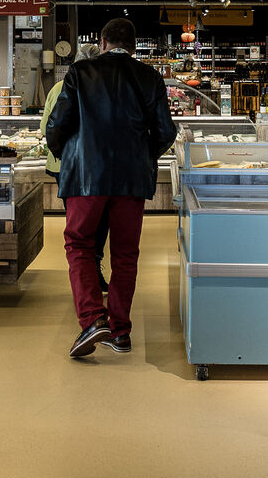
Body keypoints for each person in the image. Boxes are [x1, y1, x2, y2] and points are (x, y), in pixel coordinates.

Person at [45, 18, 177, 359]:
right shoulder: (150, 76)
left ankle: (92, 319)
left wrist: (66, 154)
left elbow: (57, 124)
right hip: (131, 180)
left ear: (102, 42)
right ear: (133, 46)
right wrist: (141, 155)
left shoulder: (80, 72)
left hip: (86, 177)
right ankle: (120, 331)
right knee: (125, 254)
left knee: (79, 244)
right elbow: (165, 132)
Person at [41, 44, 108, 293]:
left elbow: (45, 127)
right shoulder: (103, 89)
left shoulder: (58, 88)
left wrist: (63, 151)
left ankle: (83, 276)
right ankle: (94, 265)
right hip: (96, 166)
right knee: (99, 219)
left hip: (64, 166)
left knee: (76, 223)